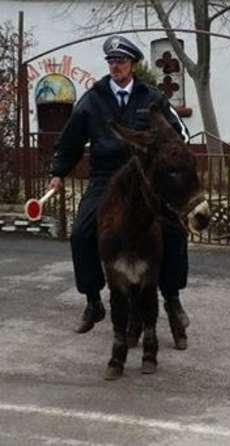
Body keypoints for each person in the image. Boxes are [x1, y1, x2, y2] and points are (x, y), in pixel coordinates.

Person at [48, 35, 191, 348]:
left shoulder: (152, 97)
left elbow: (178, 134)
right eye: (111, 62)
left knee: (175, 232)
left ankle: (172, 300)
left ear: (133, 65)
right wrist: (58, 172)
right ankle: (92, 300)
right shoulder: (93, 99)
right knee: (82, 234)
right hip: (106, 178)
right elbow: (71, 139)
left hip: (146, 180)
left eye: (121, 62)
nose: (116, 67)